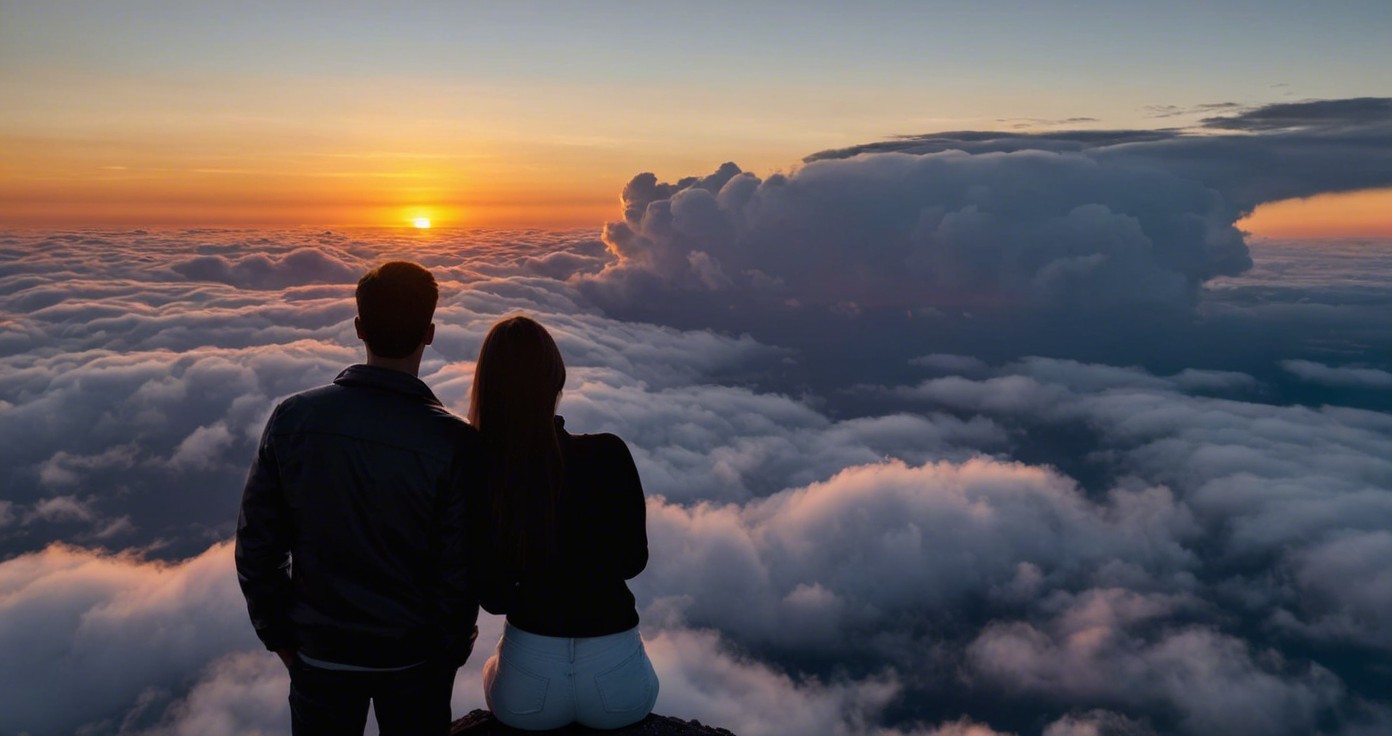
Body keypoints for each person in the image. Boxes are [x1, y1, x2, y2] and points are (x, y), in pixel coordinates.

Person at [235, 261, 480, 736]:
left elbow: (258, 545)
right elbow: (460, 568)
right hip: (415, 658)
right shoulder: (455, 443)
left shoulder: (293, 419)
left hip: (319, 652)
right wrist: (447, 653)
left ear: (358, 328)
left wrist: (281, 635)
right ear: (429, 333)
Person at [467, 315, 659, 730]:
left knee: (491, 667)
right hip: (618, 684)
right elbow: (632, 561)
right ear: (557, 380)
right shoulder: (609, 454)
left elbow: (494, 598)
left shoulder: (482, 470)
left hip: (527, 690)